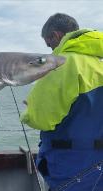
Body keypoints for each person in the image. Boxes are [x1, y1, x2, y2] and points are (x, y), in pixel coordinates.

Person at [21, 13, 103, 191]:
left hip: (73, 168)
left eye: (49, 45)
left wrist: (29, 110)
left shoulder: (62, 64)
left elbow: (40, 119)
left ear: (57, 36)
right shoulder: (100, 61)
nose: (51, 51)